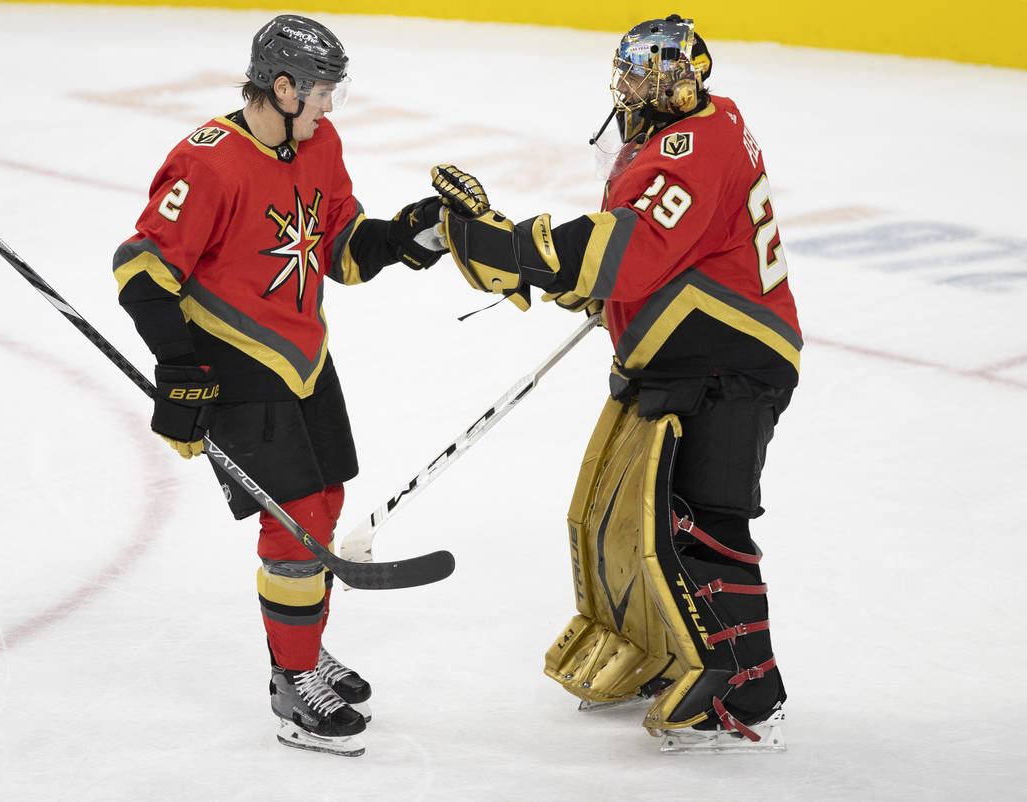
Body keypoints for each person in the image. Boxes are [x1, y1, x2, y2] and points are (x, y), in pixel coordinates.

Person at [431, 15, 800, 750]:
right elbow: (623, 271)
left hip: (731, 355)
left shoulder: (696, 146)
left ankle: (744, 686)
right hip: (691, 354)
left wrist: (517, 246)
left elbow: (626, 251)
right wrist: (521, 259)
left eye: (644, 78)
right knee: (642, 520)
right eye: (633, 76)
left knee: (708, 524)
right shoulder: (688, 133)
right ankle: (674, 653)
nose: (631, 90)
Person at [112, 14, 446, 757]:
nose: (333, 104)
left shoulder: (319, 143)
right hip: (231, 358)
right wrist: (180, 367)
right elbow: (141, 272)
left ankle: (300, 647)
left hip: (302, 353)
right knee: (292, 523)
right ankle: (293, 685)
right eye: (324, 90)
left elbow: (341, 251)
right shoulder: (208, 161)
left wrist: (408, 235)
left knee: (324, 506)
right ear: (284, 87)